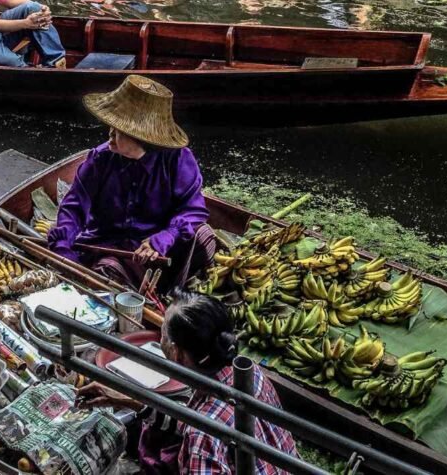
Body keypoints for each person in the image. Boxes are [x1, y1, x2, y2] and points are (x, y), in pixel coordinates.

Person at [77, 294, 298, 475]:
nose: (159, 339)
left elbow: (201, 428)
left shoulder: (202, 436)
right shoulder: (249, 371)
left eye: (163, 334)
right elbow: (191, 420)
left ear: (177, 352)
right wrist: (126, 400)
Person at [47, 75, 214, 292]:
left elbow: (193, 209)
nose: (110, 135)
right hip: (114, 247)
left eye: (119, 131)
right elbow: (75, 206)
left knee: (205, 236)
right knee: (108, 271)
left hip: (161, 249)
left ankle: (180, 287)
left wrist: (166, 236)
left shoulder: (178, 160)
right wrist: (63, 245)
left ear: (141, 138)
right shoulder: (100, 159)